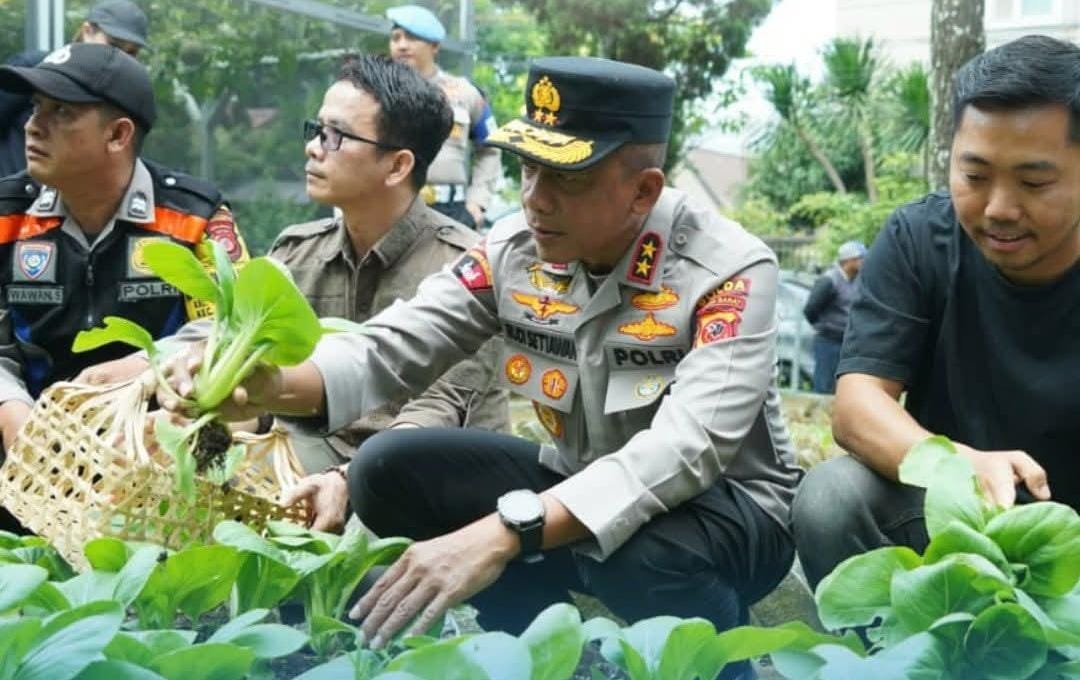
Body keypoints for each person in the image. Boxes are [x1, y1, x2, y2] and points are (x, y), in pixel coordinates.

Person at [165, 56, 800, 680]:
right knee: (387, 470)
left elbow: (686, 448)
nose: (535, 199)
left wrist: (498, 534)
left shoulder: (727, 270)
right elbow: (389, 347)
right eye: (528, 169)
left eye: (568, 180)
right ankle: (541, 658)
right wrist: (266, 386)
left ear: (644, 191)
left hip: (726, 513)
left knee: (639, 549)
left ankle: (722, 670)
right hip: (571, 480)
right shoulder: (514, 249)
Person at [791, 35, 1080, 589]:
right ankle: (882, 644)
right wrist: (960, 466)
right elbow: (857, 405)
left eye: (1034, 182)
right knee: (832, 498)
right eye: (974, 176)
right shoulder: (919, 238)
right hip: (957, 515)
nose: (998, 208)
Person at [0, 44, 249, 484]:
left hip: (160, 445)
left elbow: (233, 327)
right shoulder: (7, 214)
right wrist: (14, 416)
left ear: (118, 135)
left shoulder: (195, 217)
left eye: (61, 111)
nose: (33, 125)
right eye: (37, 107)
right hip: (29, 443)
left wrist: (148, 364)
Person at [267, 54, 509, 481]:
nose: (313, 147)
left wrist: (346, 481)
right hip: (316, 465)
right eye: (317, 130)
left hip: (436, 482)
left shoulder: (470, 269)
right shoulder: (297, 254)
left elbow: (438, 410)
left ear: (398, 166)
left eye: (336, 135)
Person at [0, 0, 149, 176]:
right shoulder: (36, 67)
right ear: (87, 31)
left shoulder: (123, 97)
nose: (121, 56)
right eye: (114, 44)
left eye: (132, 52)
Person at [386, 4, 500, 230]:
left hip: (452, 212)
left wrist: (477, 203)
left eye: (411, 38)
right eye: (396, 38)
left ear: (435, 45)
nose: (402, 45)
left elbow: (491, 146)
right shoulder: (377, 94)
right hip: (391, 208)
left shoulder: (465, 93)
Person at [802, 240, 865, 394]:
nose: (864, 262)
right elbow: (810, 309)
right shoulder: (829, 280)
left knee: (843, 388)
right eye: (861, 258)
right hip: (828, 342)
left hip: (848, 342)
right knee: (824, 386)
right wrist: (826, 327)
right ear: (849, 260)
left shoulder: (857, 280)